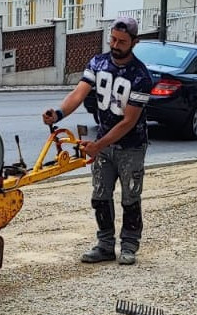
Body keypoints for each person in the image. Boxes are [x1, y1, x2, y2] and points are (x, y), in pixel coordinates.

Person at [42, 16, 153, 266]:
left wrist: (99, 144)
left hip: (131, 146)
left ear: (134, 42)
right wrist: (58, 114)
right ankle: (104, 245)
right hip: (104, 142)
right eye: (113, 39)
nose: (115, 45)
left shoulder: (141, 76)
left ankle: (129, 245)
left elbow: (129, 121)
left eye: (122, 41)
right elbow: (79, 93)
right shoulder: (98, 62)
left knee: (130, 196)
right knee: (100, 195)